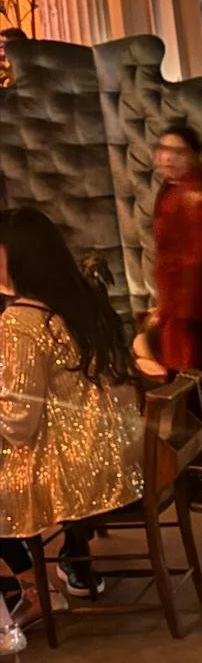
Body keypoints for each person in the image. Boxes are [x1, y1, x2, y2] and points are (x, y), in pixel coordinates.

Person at [0, 207, 143, 599]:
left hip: (71, 472)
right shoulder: (80, 299)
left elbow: (18, 422)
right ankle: (71, 560)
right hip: (113, 452)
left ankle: (31, 592)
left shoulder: (20, 322)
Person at [151, 121, 202, 386]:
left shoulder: (200, 194)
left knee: (196, 377)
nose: (168, 157)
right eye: (163, 149)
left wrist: (188, 310)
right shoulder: (171, 188)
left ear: (194, 155)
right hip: (175, 304)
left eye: (179, 151)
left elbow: (201, 256)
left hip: (195, 308)